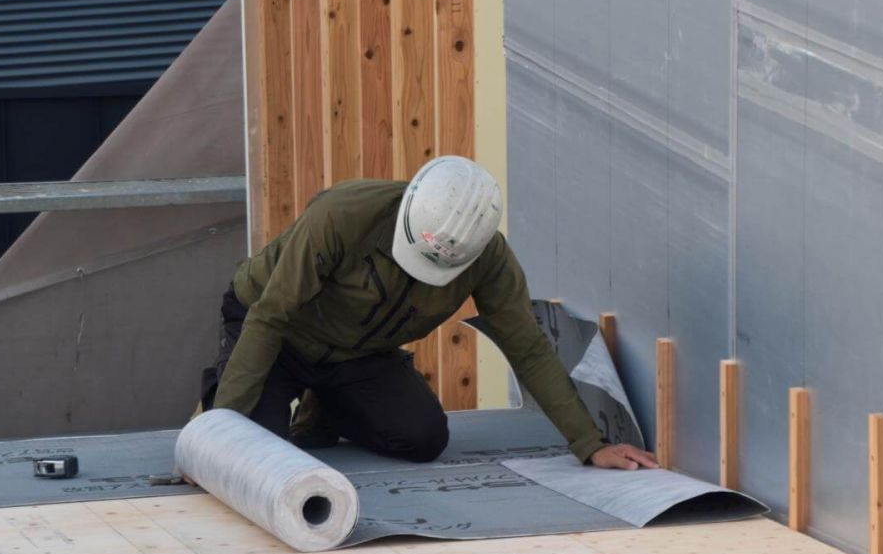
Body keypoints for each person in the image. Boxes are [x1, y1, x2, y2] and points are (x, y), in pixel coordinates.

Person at [201, 156, 658, 471]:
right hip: (277, 334)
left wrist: (589, 444)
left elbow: (528, 349)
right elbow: (270, 316)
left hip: (357, 354)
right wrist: (220, 441)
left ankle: (327, 406)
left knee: (423, 439)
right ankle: (226, 396)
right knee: (257, 458)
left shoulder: (487, 255)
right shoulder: (343, 215)